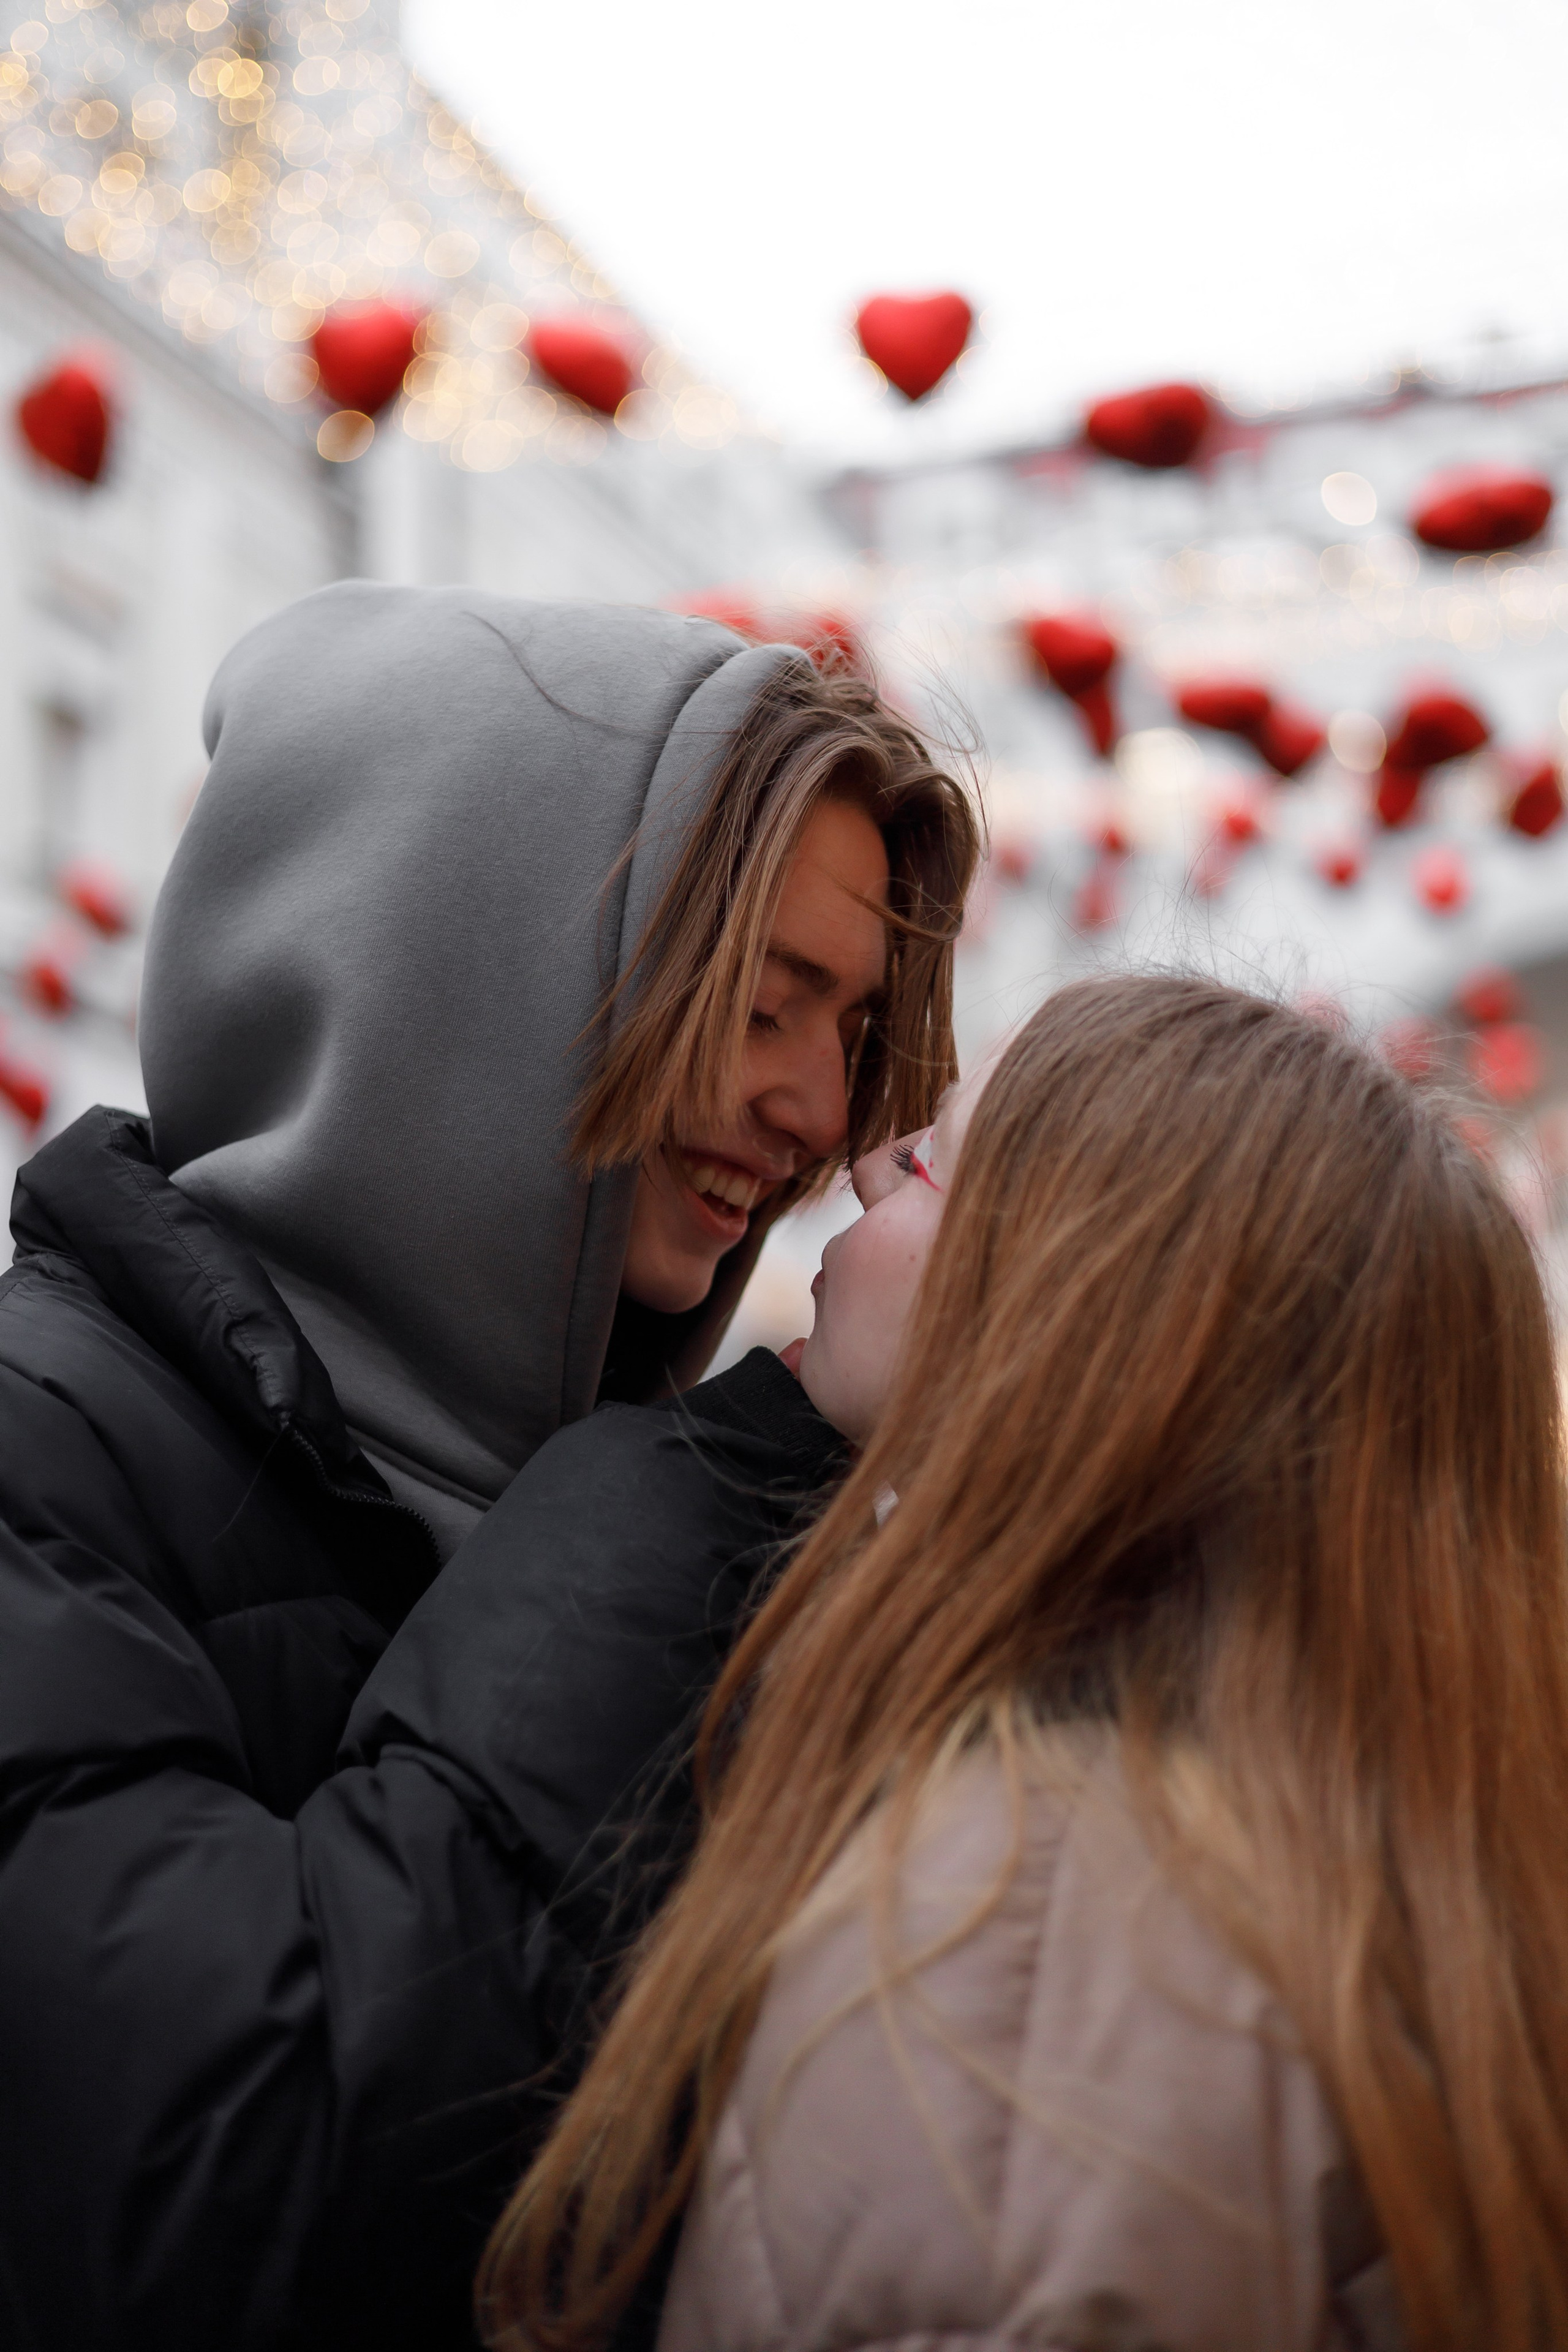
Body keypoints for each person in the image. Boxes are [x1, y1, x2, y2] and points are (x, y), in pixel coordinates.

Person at [0, 582, 978, 2352]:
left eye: (850, 1035)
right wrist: (698, 1472)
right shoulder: (33, 1451)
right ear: (467, 972)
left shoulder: (571, 1505)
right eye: (766, 1006)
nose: (823, 1116)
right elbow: (241, 2193)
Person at [483, 974, 1568, 2352]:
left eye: (929, 1162)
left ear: (1069, 1338)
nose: (862, 1171)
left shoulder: (1018, 1965)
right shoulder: (1372, 1884)